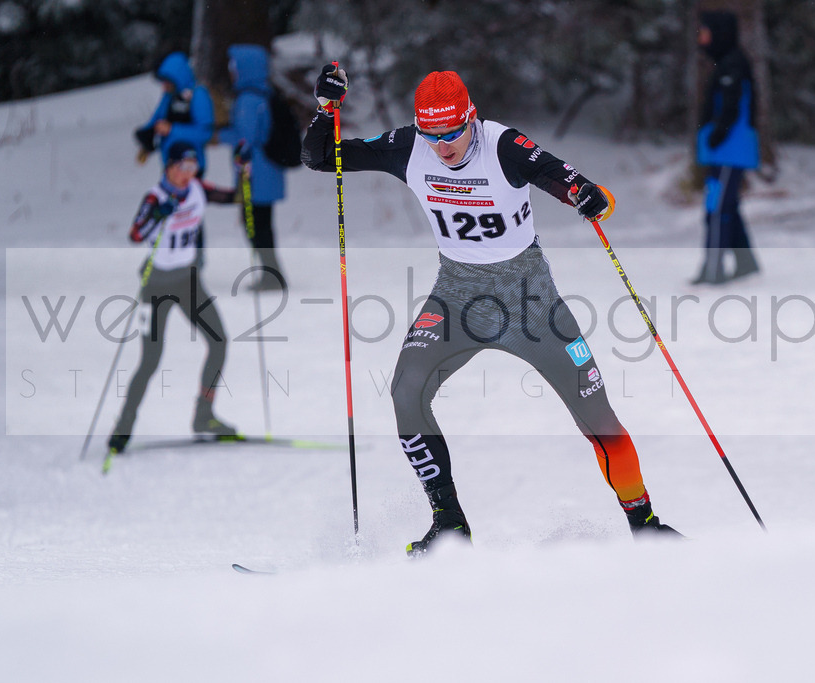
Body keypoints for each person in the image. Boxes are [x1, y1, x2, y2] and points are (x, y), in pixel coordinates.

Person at [304, 66, 681, 555]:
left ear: (471, 119)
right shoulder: (409, 146)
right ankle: (450, 525)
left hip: (532, 302)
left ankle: (645, 523)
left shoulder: (502, 144)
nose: (443, 145)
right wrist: (326, 110)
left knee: (597, 415)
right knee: (405, 391)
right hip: (457, 297)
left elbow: (563, 178)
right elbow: (321, 158)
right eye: (431, 133)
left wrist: (589, 196)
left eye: (453, 132)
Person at [108, 141, 239, 455]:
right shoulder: (156, 196)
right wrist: (157, 213)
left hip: (188, 281)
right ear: (168, 167)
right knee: (150, 360)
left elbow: (236, 197)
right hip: (155, 286)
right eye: (182, 167)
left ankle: (204, 417)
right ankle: (123, 427)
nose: (187, 175)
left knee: (219, 343)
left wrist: (243, 168)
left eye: (192, 168)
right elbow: (136, 234)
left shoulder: (197, 190)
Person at [692, 10, 760, 286]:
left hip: (731, 150)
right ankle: (746, 262)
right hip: (725, 150)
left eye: (705, 31)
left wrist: (717, 134)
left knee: (717, 209)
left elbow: (732, 106)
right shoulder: (725, 61)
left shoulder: (732, 63)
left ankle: (714, 268)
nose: (701, 37)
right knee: (727, 205)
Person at [217, 44, 288, 291]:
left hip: (255, 173)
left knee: (255, 227)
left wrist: (218, 135)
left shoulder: (248, 99)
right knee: (262, 225)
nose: (231, 71)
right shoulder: (264, 93)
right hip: (267, 171)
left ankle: (272, 276)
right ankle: (272, 273)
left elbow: (245, 138)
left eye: (234, 66)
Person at [134, 52, 215, 174]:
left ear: (177, 77)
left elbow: (205, 133)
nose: (164, 86)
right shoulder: (169, 96)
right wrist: (147, 136)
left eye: (167, 81)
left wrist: (172, 130)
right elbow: (158, 119)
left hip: (191, 166)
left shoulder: (198, 94)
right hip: (171, 165)